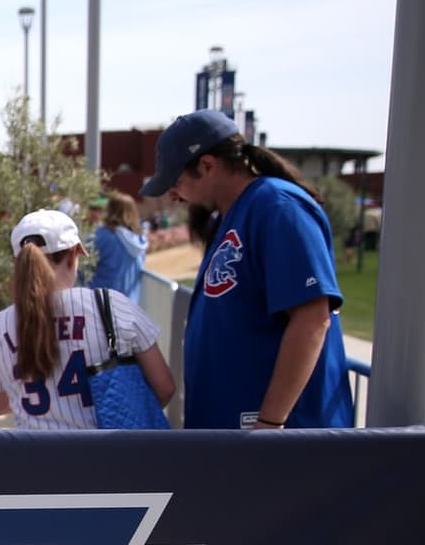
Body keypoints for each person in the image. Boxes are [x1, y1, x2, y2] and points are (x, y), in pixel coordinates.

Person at [141, 109, 353, 430]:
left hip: (280, 441)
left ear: (207, 165)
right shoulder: (237, 213)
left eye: (177, 181)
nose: (174, 195)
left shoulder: (278, 206)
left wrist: (270, 421)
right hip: (237, 436)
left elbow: (312, 319)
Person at [0, 209, 174, 430]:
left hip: (35, 460)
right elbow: (164, 387)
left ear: (17, 263)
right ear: (73, 255)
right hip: (109, 459)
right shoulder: (111, 305)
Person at [87, 191, 149, 300]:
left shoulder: (102, 235)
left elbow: (84, 266)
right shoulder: (140, 241)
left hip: (100, 303)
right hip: (129, 305)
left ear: (110, 210)